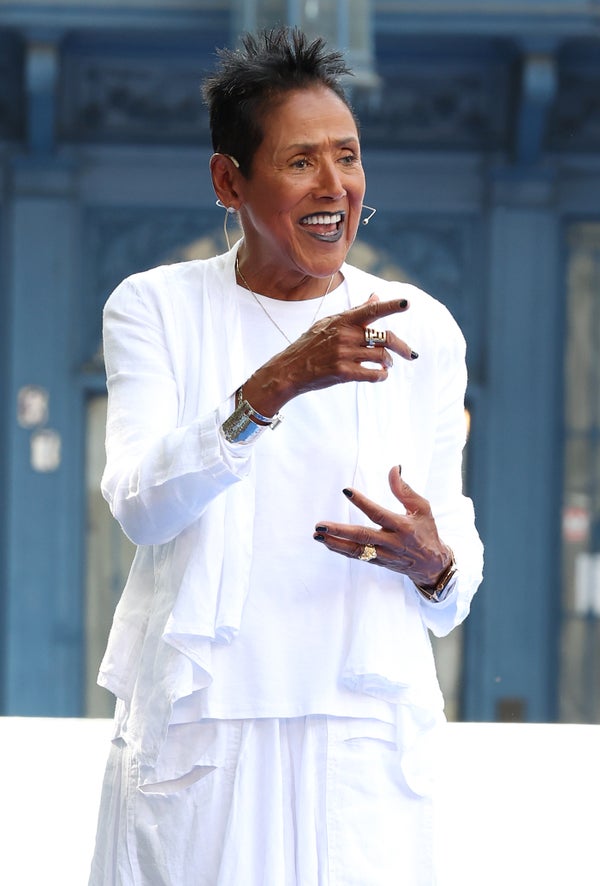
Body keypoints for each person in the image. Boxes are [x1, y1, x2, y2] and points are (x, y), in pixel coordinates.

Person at [89, 26, 483, 886]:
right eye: (301, 161)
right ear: (229, 181)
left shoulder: (422, 324)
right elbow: (139, 505)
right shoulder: (155, 308)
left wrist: (435, 564)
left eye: (348, 156)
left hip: (364, 728)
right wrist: (274, 385)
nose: (334, 185)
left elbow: (452, 555)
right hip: (204, 727)